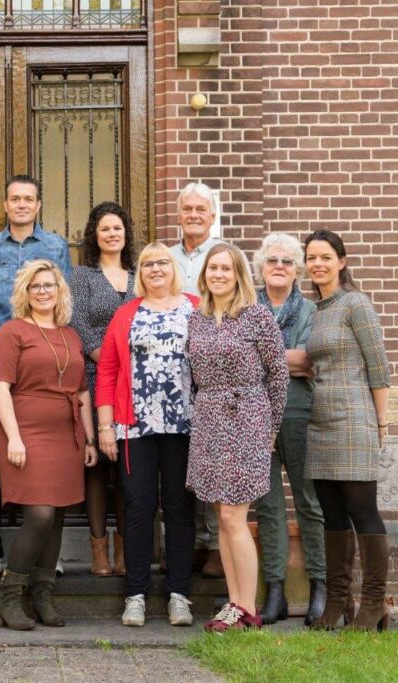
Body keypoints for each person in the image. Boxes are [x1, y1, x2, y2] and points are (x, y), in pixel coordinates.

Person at [186, 243, 288, 632]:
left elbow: (278, 374)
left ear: (238, 275)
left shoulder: (257, 316)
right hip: (209, 420)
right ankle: (234, 603)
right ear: (204, 274)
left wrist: (270, 427)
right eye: (213, 268)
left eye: (226, 268)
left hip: (247, 418)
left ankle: (247, 609)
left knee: (234, 515)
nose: (219, 274)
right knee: (222, 517)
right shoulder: (197, 319)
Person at [96, 242, 199, 628]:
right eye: (148, 264)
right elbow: (107, 371)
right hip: (134, 426)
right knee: (138, 506)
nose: (156, 269)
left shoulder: (195, 308)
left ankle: (179, 595)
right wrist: (105, 426)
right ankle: (136, 595)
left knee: (179, 506)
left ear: (174, 269)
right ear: (140, 272)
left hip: (185, 425)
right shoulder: (127, 313)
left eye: (162, 263)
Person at [0, 174, 72, 578]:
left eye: (28, 199)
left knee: (44, 452)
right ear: (5, 204)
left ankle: (46, 551)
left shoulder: (55, 247)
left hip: (40, 361)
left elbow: (63, 299)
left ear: (38, 204)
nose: (21, 205)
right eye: (15, 198)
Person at [0, 260, 97, 630]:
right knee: (40, 515)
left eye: (49, 285)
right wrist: (14, 437)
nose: (43, 291)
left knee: (59, 515)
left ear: (60, 290)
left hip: (66, 434)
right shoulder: (12, 332)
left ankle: (42, 595)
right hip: (26, 431)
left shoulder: (71, 335)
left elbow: (82, 391)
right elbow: (0, 387)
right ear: (24, 292)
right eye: (35, 286)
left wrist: (89, 439)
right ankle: (9, 597)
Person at [304, 229, 391, 632]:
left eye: (325, 257)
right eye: (311, 258)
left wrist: (381, 422)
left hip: (354, 420)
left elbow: (379, 367)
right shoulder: (317, 310)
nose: (317, 264)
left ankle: (375, 603)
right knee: (332, 514)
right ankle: (339, 600)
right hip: (320, 422)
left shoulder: (356, 303)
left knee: (362, 510)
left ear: (342, 261)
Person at [252, 233, 327, 626]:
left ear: (297, 270)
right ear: (261, 268)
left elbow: (309, 360)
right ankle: (276, 591)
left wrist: (261, 357)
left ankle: (320, 587)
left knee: (308, 501)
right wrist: (288, 358)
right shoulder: (247, 308)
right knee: (267, 506)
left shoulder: (312, 311)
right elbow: (290, 360)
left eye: (286, 261)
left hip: (299, 411)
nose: (279, 267)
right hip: (255, 415)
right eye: (272, 260)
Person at [69, 202, 137, 578]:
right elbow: (76, 320)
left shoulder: (140, 276)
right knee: (96, 465)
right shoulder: (82, 276)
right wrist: (105, 357)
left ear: (126, 234)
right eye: (105, 229)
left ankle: (126, 547)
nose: (112, 234)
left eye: (117, 228)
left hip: (136, 383)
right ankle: (99, 550)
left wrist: (128, 366)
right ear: (94, 236)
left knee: (128, 465)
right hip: (95, 376)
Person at [170, 181, 225, 577]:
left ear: (212, 216)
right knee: (180, 462)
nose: (193, 215)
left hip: (213, 370)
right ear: (179, 214)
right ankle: (185, 541)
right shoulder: (166, 257)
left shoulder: (224, 256)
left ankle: (216, 543)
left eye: (200, 210)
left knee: (214, 458)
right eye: (187, 209)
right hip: (173, 375)